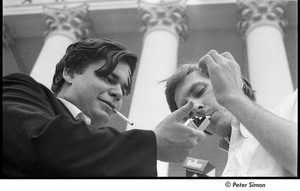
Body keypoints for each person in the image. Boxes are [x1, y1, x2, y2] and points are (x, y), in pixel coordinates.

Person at [2, 38, 206, 178]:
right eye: (109, 78)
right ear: (70, 73)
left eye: (124, 89)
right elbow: (42, 143)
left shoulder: (98, 148)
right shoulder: (20, 88)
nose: (118, 93)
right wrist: (152, 143)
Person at [164, 49, 297, 176]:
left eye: (200, 91)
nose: (195, 108)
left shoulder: (293, 104)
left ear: (232, 80)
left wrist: (233, 96)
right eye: (187, 112)